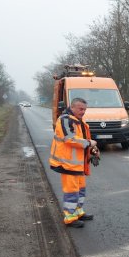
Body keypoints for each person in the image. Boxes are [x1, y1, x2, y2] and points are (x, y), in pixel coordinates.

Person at [49, 97, 100, 228]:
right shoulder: (65, 120)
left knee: (80, 190)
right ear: (72, 107)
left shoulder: (79, 121)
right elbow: (69, 139)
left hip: (78, 165)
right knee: (71, 191)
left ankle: (78, 212)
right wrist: (89, 143)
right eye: (80, 109)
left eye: (84, 109)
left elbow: (83, 139)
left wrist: (93, 150)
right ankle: (70, 218)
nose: (83, 112)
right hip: (67, 164)